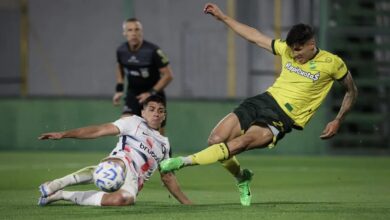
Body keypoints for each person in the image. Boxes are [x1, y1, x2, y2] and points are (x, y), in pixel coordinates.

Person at [160, 3, 358, 207]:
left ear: (311, 43)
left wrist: (338, 120)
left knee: (241, 143)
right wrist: (224, 18)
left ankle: (182, 162)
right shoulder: (287, 50)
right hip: (264, 99)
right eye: (292, 50)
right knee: (216, 140)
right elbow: (254, 36)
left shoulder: (332, 63)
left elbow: (351, 91)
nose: (295, 54)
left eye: (299, 50)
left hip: (283, 117)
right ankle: (242, 178)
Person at [37, 95, 191, 206]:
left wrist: (187, 203)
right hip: (121, 162)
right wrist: (64, 134)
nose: (156, 113)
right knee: (114, 169)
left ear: (164, 116)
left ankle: (61, 195)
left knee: (123, 200)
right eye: (151, 109)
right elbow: (99, 130)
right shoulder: (132, 122)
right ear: (143, 113)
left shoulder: (165, 145)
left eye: (160, 110)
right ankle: (57, 183)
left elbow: (168, 177)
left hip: (134, 180)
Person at [113, 18, 173, 134]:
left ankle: (163, 152)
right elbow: (120, 67)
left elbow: (168, 75)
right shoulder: (121, 51)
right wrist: (119, 89)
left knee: (157, 134)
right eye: (130, 30)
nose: (134, 33)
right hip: (133, 93)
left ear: (142, 32)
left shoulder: (153, 51)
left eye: (137, 30)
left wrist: (150, 93)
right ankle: (125, 152)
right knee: (124, 125)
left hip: (154, 94)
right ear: (124, 33)